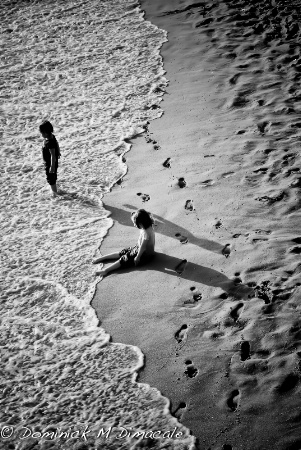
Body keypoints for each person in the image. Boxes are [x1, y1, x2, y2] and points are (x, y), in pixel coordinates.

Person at [93, 209, 155, 277]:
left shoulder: (146, 233)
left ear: (140, 223)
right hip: (140, 249)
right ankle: (102, 258)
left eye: (135, 223)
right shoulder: (148, 227)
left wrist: (138, 257)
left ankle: (105, 270)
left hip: (144, 255)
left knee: (124, 258)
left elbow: (143, 247)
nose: (134, 225)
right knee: (123, 252)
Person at [39, 120, 61, 196]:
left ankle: (55, 193)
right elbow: (57, 143)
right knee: (52, 177)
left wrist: (52, 166)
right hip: (52, 162)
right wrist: (59, 151)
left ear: (45, 132)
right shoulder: (52, 137)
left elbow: (52, 155)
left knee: (51, 178)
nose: (41, 134)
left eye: (41, 133)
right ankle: (54, 190)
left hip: (50, 163)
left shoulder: (49, 143)